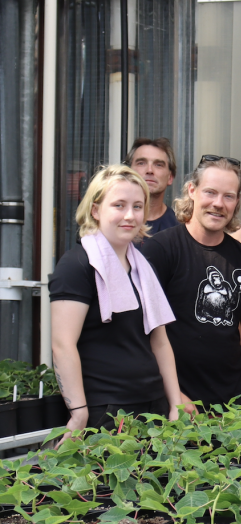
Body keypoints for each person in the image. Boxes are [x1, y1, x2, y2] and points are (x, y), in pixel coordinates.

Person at [49, 165, 182, 431]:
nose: (129, 215)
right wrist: (78, 414)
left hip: (153, 406)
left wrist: (175, 404)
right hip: (105, 411)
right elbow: (63, 345)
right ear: (96, 210)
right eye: (118, 205)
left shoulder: (143, 267)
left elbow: (160, 342)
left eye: (137, 206)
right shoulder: (77, 265)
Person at [139, 155, 241, 409]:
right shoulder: (160, 250)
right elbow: (141, 333)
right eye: (210, 192)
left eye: (228, 196)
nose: (218, 204)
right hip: (175, 405)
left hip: (233, 408)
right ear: (192, 191)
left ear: (237, 202)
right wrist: (175, 396)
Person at [125, 138, 179, 235]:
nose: (149, 170)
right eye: (141, 163)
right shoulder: (114, 222)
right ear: (128, 172)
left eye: (158, 165)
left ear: (170, 177)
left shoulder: (180, 229)